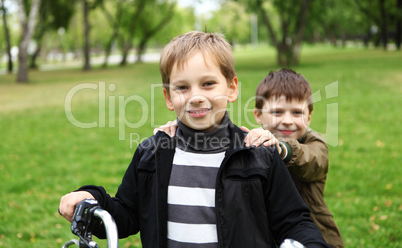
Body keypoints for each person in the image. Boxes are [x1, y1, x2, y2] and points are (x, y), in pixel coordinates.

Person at [59, 31, 331, 247]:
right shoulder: (152, 154)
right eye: (182, 87)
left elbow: (294, 221)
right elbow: (127, 215)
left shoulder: (258, 153)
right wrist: (93, 199)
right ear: (168, 97)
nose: (196, 96)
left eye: (208, 84)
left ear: (232, 88)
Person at [155, 69, 344, 248]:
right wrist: (182, 129)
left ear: (309, 117)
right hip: (265, 235)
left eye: (297, 113)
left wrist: (282, 149)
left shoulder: (315, 144)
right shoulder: (256, 142)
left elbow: (312, 160)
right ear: (258, 115)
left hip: (313, 237)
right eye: (277, 112)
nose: (287, 120)